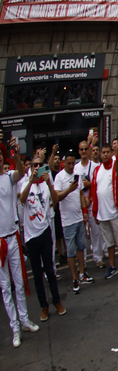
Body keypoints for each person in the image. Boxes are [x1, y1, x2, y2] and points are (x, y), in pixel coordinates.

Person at [0, 134, 36, 347]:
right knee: (5, 287)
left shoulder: (9, 176)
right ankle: (14, 327)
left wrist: (18, 151)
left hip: (13, 237)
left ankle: (24, 320)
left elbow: (22, 172)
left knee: (19, 282)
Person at [20, 158, 66, 321]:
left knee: (50, 271)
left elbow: (55, 201)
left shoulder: (47, 185)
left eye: (40, 165)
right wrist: (31, 181)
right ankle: (43, 307)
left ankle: (57, 301)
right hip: (31, 236)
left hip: (45, 232)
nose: (38, 168)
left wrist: (49, 184)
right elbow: (22, 199)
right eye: (34, 165)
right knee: (37, 275)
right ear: (30, 168)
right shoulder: (26, 183)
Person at [92, 144, 118, 281]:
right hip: (102, 213)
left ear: (111, 152)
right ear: (100, 154)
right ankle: (112, 266)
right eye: (103, 152)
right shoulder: (96, 170)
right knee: (109, 243)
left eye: (107, 152)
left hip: (115, 212)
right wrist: (95, 212)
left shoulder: (116, 167)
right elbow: (94, 192)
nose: (105, 154)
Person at [52, 154, 86, 295]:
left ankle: (82, 274)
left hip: (78, 218)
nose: (71, 166)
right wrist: (69, 190)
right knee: (70, 252)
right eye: (68, 164)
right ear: (63, 163)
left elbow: (81, 194)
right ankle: (74, 279)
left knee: (81, 247)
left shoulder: (77, 175)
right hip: (68, 221)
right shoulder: (59, 177)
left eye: (73, 163)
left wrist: (84, 211)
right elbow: (57, 197)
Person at [75, 140, 104, 271]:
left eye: (86, 149)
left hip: (92, 202)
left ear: (89, 150)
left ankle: (98, 258)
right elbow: (74, 187)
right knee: (82, 234)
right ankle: (83, 261)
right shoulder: (76, 168)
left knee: (96, 232)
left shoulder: (95, 166)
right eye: (81, 149)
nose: (84, 152)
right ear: (79, 151)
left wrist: (89, 185)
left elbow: (98, 183)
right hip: (81, 204)